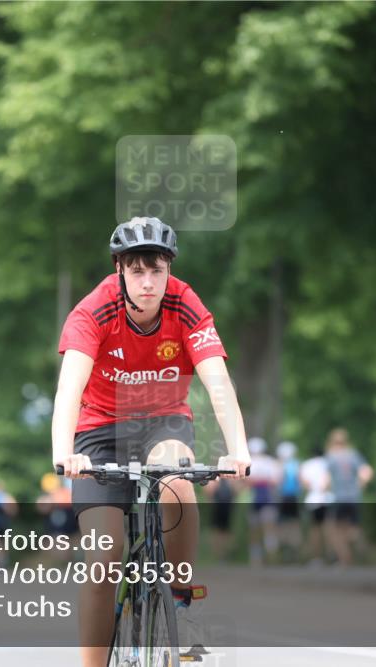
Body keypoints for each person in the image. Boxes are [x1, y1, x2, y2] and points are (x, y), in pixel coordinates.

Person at [51, 217, 251, 667]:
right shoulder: (93, 310)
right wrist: (65, 452)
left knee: (178, 482)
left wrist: (239, 447)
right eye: (137, 271)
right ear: (119, 268)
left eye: (156, 271)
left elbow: (218, 382)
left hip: (164, 422)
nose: (148, 282)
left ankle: (182, 602)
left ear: (169, 270)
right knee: (104, 556)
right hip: (99, 432)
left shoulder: (185, 304)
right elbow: (68, 390)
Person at [325, 427, 373, 566]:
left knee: (335, 530)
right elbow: (367, 472)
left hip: (339, 497)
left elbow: (326, 480)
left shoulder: (331, 456)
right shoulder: (353, 455)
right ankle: (354, 547)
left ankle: (345, 558)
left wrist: (327, 488)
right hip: (354, 497)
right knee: (352, 527)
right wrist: (360, 485)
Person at [246, 437, 282, 566]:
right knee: (269, 529)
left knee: (255, 531)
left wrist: (255, 481)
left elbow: (244, 482)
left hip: (254, 499)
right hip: (268, 499)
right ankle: (272, 558)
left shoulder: (248, 462)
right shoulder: (271, 462)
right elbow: (277, 480)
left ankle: (256, 560)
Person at [299, 446, 331, 565]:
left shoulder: (307, 465)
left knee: (315, 530)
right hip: (328, 498)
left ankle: (317, 558)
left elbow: (304, 483)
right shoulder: (328, 463)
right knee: (330, 529)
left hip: (313, 499)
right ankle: (332, 556)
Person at [275, 441, 303, 560]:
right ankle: (294, 550)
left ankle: (285, 549)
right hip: (294, 497)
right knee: (295, 524)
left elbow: (277, 481)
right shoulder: (297, 464)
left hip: (283, 497)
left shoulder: (279, 464)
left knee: (282, 525)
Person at [202, 474, 236, 563]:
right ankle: (219, 554)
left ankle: (224, 554)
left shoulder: (230, 478)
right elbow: (208, 491)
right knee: (217, 531)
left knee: (225, 531)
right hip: (218, 507)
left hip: (226, 508)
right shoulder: (214, 478)